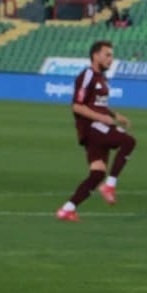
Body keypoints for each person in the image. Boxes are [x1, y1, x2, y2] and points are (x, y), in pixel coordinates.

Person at [57, 40, 136, 222]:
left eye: (112, 55)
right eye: (107, 55)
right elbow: (77, 106)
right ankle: (110, 185)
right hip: (92, 127)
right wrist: (101, 118)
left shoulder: (102, 78)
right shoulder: (88, 75)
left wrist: (115, 115)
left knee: (97, 173)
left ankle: (67, 209)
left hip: (96, 129)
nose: (111, 59)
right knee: (129, 141)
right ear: (95, 55)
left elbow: (98, 105)